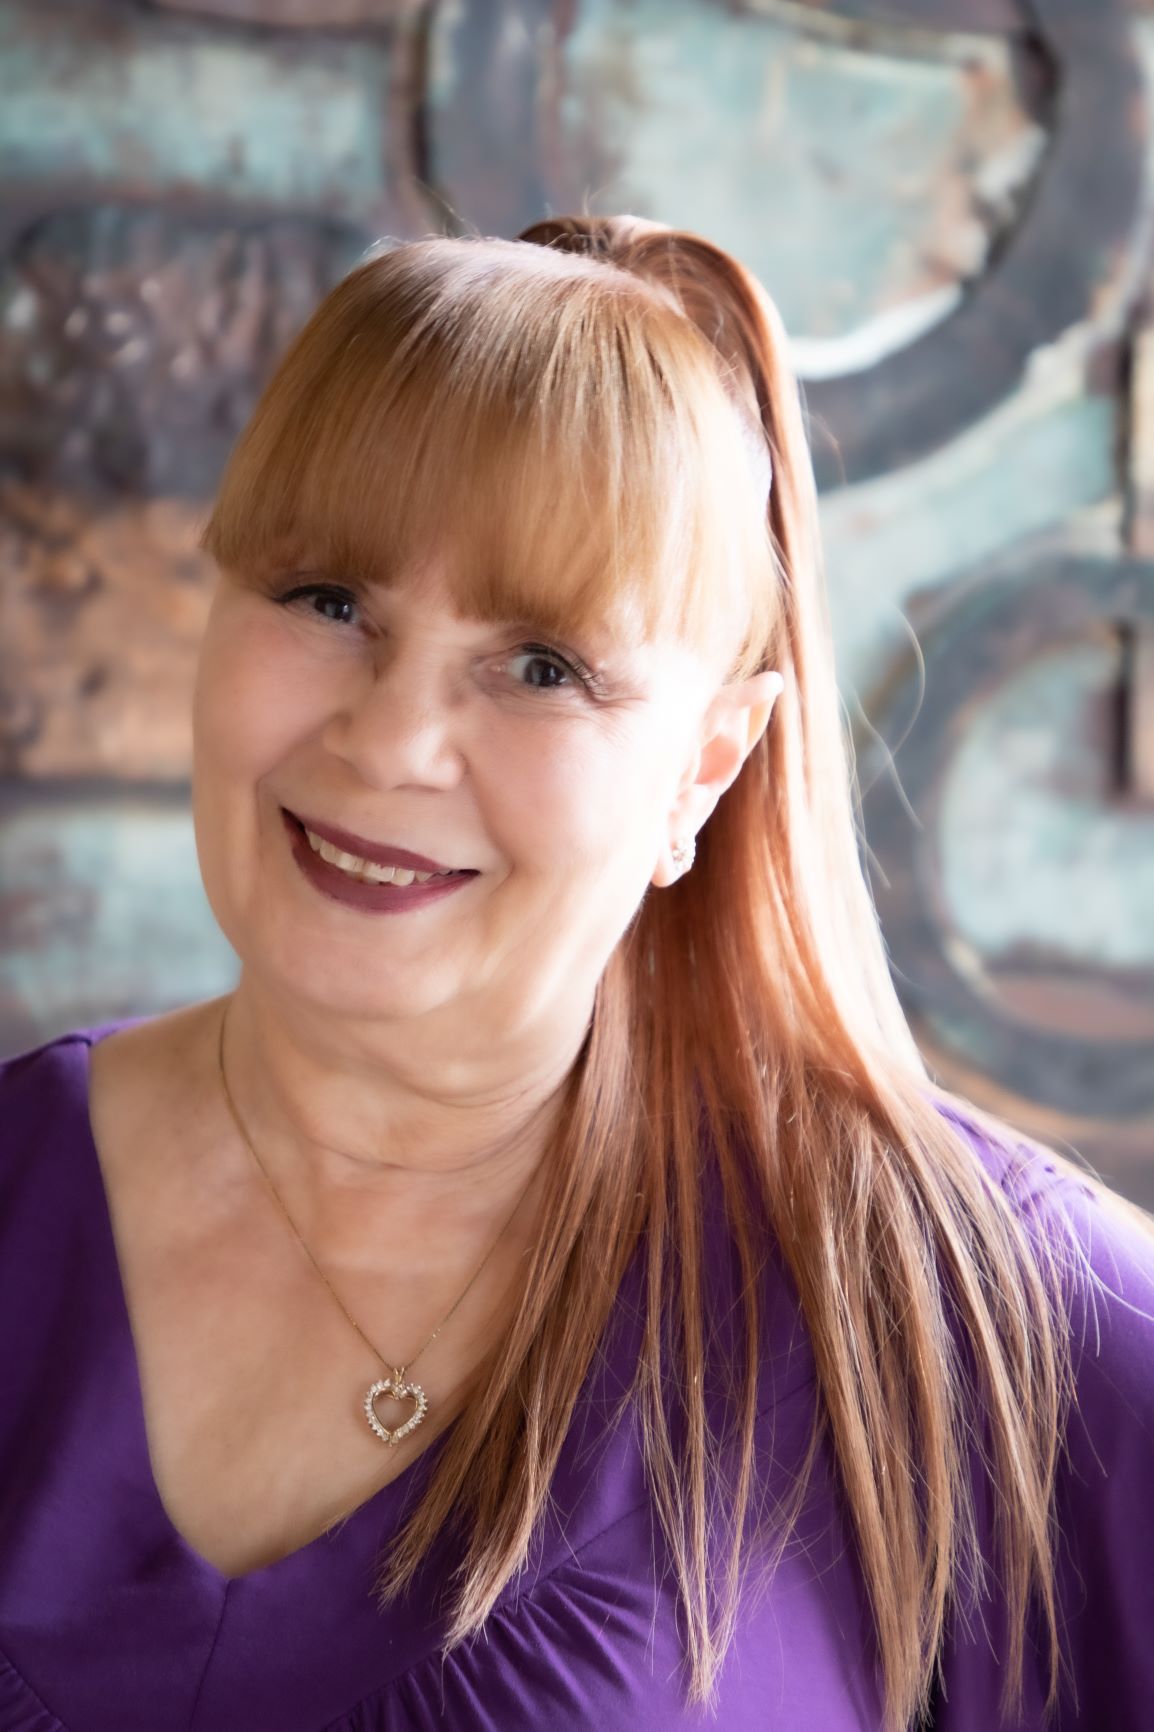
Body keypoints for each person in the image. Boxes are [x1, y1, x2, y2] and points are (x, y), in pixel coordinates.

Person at [1, 214, 1152, 1732]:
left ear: (703, 767)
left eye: (542, 664)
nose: (389, 743)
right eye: (326, 600)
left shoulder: (975, 1315)